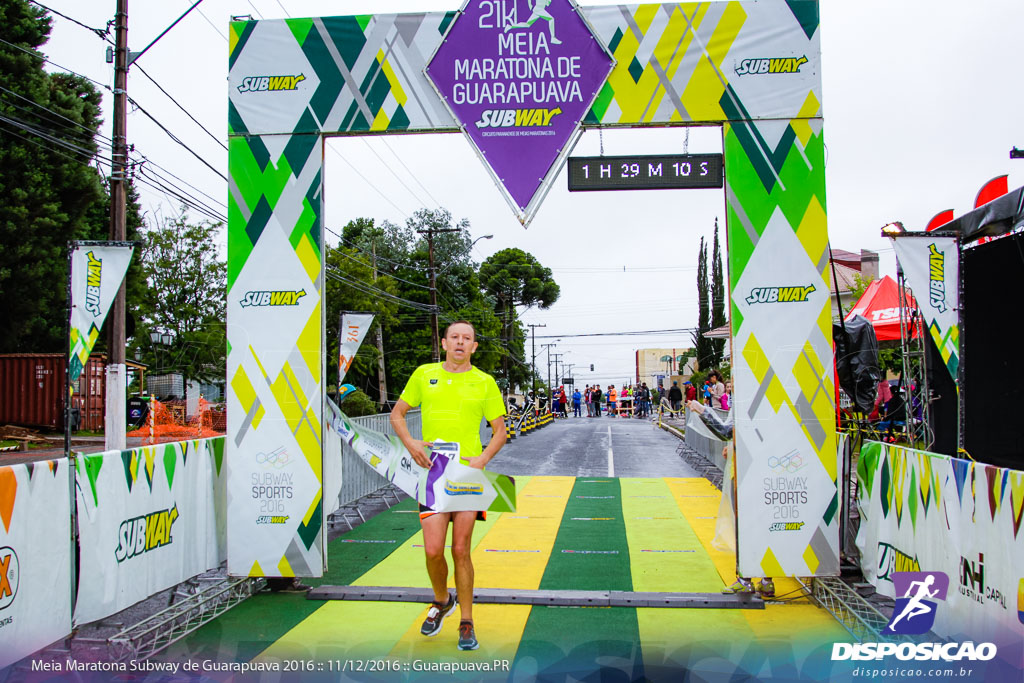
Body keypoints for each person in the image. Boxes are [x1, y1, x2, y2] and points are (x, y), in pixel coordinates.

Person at [389, 321, 507, 651]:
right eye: (454, 337)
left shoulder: (484, 382)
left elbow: (500, 431)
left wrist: (481, 460)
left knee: (460, 550)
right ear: (444, 343)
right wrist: (411, 443)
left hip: (467, 476)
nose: (459, 342)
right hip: (433, 474)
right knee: (432, 550)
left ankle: (466, 621)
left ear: (473, 347)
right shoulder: (424, 374)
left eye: (466, 338)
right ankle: (443, 600)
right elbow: (397, 414)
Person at [687, 399, 774, 599]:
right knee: (762, 526)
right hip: (764, 469)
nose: (731, 385)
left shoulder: (748, 395)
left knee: (746, 528)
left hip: (745, 473)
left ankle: (746, 580)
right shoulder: (766, 398)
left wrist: (702, 411)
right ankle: (767, 580)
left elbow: (727, 431)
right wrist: (733, 446)